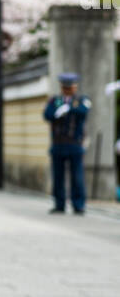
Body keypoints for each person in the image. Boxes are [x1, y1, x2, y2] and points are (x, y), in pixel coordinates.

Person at [43, 72, 90, 214]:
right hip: (58, 144)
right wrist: (59, 111)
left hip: (75, 144)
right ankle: (59, 204)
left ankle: (78, 205)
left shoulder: (81, 100)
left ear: (75, 87)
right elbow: (47, 115)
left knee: (77, 176)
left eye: (71, 87)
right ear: (62, 87)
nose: (68, 90)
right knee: (58, 176)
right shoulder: (55, 101)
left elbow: (84, 111)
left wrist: (70, 109)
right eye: (65, 87)